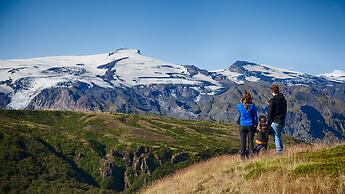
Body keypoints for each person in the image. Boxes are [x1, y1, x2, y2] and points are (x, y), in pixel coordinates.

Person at [237, 92, 258, 160]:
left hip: (242, 125)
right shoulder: (252, 106)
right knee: (250, 141)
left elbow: (240, 114)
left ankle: (242, 157)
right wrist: (256, 125)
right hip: (250, 125)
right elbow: (255, 117)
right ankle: (251, 155)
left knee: (243, 142)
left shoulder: (239, 106)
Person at [268, 84, 287, 154]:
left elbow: (270, 112)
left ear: (272, 91)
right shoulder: (283, 99)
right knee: (278, 135)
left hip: (275, 120)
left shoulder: (273, 100)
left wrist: (269, 121)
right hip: (282, 119)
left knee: (276, 136)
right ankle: (281, 149)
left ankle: (279, 151)